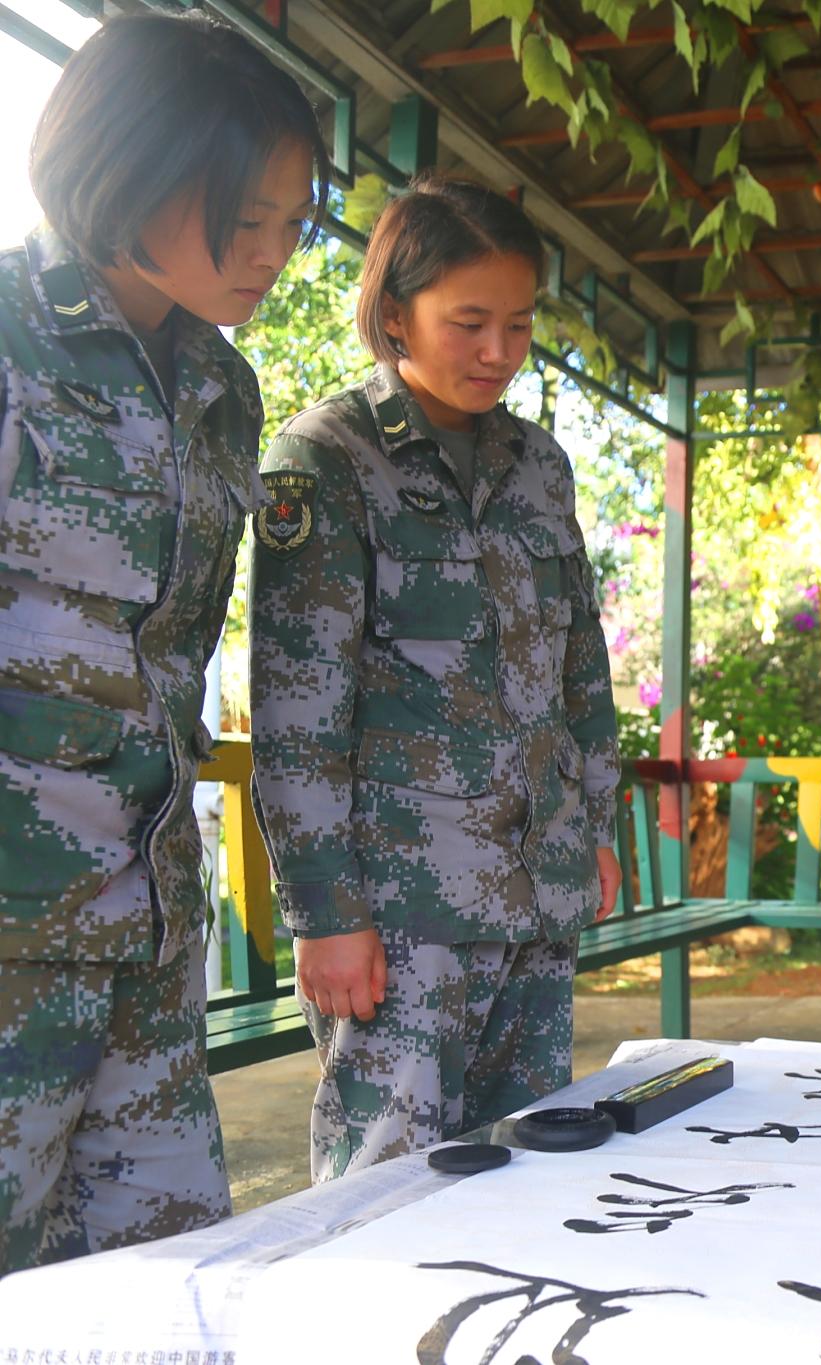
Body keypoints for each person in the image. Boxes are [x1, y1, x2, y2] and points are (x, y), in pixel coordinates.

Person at [0, 13, 322, 1273]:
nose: (272, 254)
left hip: (145, 922)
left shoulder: (220, 387)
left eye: (294, 222)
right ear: (129, 167)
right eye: (244, 217)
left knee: (166, 1285)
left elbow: (176, 658)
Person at [249, 176, 620, 1183]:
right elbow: (297, 713)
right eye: (468, 323)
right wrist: (326, 914)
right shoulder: (324, 459)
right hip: (402, 918)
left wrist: (596, 828)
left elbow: (581, 667)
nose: (499, 352)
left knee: (530, 1169)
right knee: (387, 1185)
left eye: (517, 324)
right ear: (393, 312)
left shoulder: (539, 466)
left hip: (535, 892)